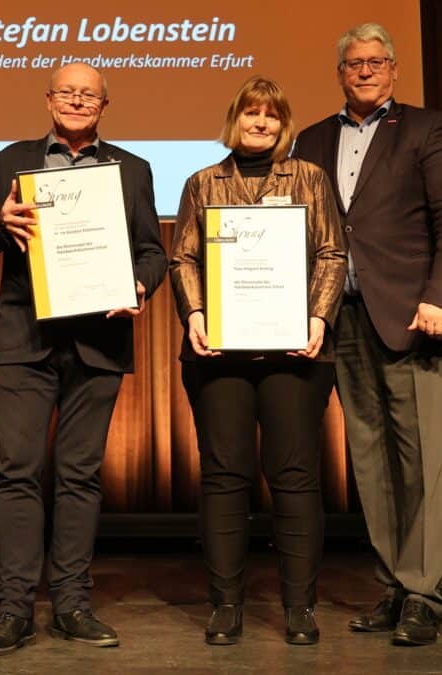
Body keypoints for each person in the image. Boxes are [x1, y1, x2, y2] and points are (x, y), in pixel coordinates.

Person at [0, 63, 167, 656]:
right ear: (49, 99)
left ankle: (73, 604)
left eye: (89, 95)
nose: (77, 101)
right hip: (26, 338)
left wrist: (139, 284)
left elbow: (152, 252)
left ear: (105, 105)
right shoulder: (10, 162)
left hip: (99, 341)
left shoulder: (133, 168)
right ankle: (14, 609)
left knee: (80, 476)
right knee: (16, 473)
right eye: (67, 92)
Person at [293, 22, 442, 646]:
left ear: (394, 69)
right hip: (340, 319)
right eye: (354, 63)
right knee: (370, 460)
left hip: (411, 316)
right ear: (340, 73)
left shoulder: (425, 129)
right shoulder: (312, 139)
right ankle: (396, 583)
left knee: (422, 459)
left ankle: (427, 593)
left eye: (376, 61)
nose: (366, 70)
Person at [169, 75, 347, 646]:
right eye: (251, 113)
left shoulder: (310, 178)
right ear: (235, 120)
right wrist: (195, 313)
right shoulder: (202, 182)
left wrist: (318, 317)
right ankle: (225, 606)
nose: (261, 123)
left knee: (294, 476)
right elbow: (183, 258)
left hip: (295, 350)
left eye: (271, 115)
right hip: (219, 351)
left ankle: (299, 607)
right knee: (224, 476)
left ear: (283, 124)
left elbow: (332, 252)